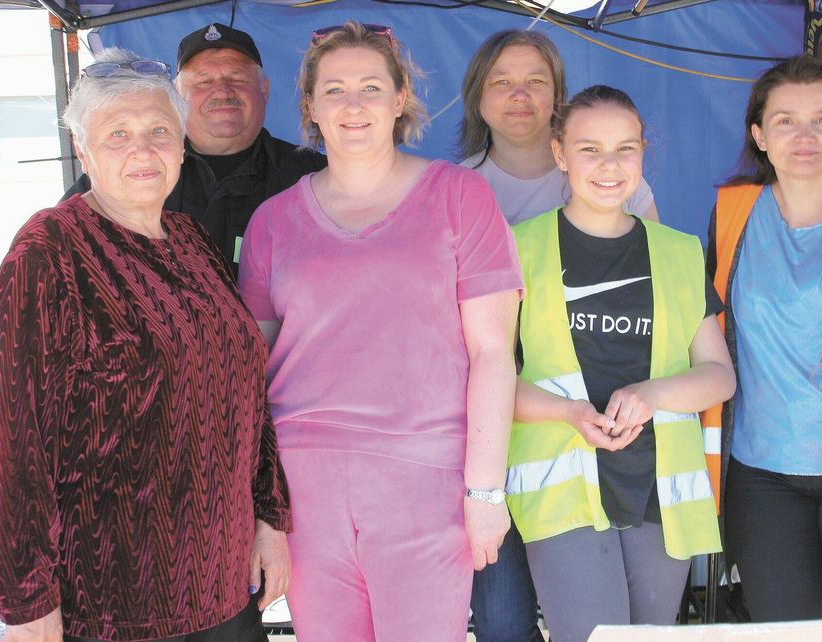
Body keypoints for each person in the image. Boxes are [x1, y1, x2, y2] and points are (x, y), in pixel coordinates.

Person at [0, 48, 291, 642]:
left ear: (182, 143)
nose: (143, 151)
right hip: (113, 603)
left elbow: (247, 391)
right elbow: (10, 438)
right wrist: (26, 600)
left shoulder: (191, 239)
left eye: (159, 131)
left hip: (223, 587)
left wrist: (270, 519)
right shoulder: (51, 250)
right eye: (117, 134)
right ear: (83, 148)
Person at [236, 22, 523, 641]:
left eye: (371, 86)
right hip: (304, 490)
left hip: (425, 483)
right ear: (310, 107)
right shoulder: (272, 221)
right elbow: (247, 374)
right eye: (334, 90)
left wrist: (485, 493)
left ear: (401, 99)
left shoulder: (460, 197)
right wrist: (261, 508)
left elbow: (493, 353)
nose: (354, 104)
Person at [508, 85, 733, 642]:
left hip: (659, 491)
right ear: (560, 154)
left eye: (624, 149)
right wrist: (568, 413)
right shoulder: (517, 249)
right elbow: (488, 380)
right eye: (590, 149)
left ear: (642, 154)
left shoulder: (679, 251)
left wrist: (651, 395)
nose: (609, 165)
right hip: (562, 489)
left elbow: (718, 374)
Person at [702, 54, 822, 629]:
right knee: (793, 632)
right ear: (759, 135)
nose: (805, 136)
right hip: (761, 473)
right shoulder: (732, 211)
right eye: (785, 121)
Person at [65, 22, 326, 273]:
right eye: (203, 82)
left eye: (237, 78)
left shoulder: (313, 176)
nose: (222, 91)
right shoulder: (128, 175)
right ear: (177, 93)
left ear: (264, 89)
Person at [458, 29, 658, 227]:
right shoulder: (457, 188)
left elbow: (655, 245)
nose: (519, 95)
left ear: (556, 93)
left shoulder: (613, 177)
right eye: (502, 82)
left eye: (535, 81)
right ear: (476, 95)